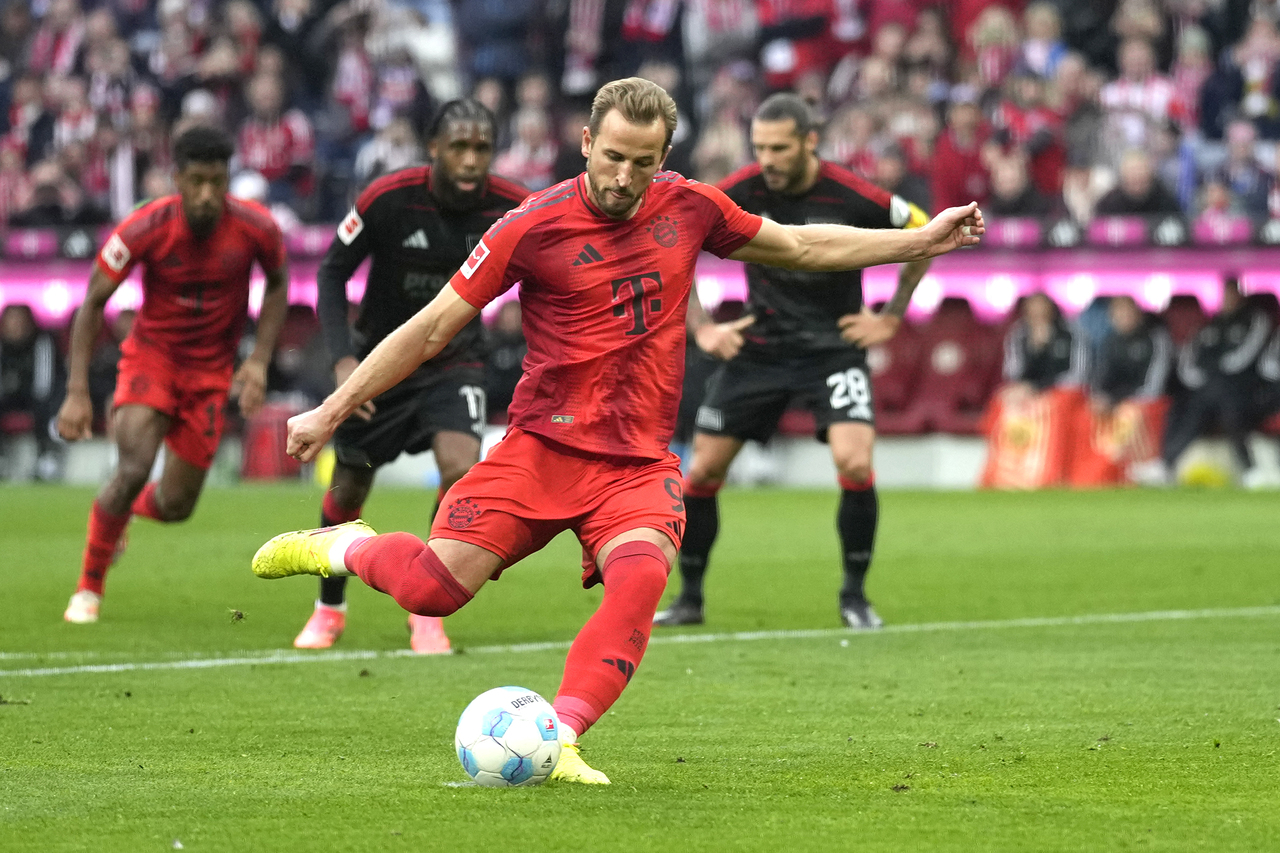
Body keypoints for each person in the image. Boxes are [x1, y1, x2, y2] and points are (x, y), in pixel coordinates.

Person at [250, 78, 983, 785]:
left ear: (664, 157)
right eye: (612, 157)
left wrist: (920, 241)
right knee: (431, 592)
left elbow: (799, 246)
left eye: (643, 161)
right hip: (542, 449)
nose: (625, 177)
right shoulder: (529, 226)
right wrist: (331, 408)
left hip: (635, 464)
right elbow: (432, 327)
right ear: (586, 142)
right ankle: (343, 544)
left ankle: (562, 737)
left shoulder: (691, 206)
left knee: (641, 578)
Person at [653, 93, 934, 632]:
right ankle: (690, 599)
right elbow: (672, 243)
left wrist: (891, 317)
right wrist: (702, 327)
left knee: (855, 462)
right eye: (760, 148)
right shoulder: (739, 190)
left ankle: (855, 597)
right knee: (703, 470)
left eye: (779, 148)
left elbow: (924, 233)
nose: (768, 160)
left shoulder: (852, 192)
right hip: (760, 348)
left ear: (810, 142)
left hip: (833, 348)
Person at [292, 99, 529, 653]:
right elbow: (331, 272)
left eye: (482, 149)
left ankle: (426, 608)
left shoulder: (514, 206)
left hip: (456, 361)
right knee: (350, 484)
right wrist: (344, 363)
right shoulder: (388, 198)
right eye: (459, 147)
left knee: (460, 469)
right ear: (433, 148)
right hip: (381, 365)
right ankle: (329, 607)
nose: (471, 160)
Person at [57, 125, 290, 624]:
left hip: (211, 373)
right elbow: (93, 302)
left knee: (177, 505)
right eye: (197, 181)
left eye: (217, 182)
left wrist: (258, 361)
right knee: (133, 468)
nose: (207, 194)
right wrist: (77, 391)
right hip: (152, 361)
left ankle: (121, 512)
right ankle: (88, 590)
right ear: (177, 178)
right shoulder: (144, 227)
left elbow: (278, 283)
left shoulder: (257, 228)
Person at [1160, 276, 1272, 484]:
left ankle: (1249, 468)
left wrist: (1215, 373)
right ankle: (1166, 464)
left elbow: (1243, 359)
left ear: (1240, 295)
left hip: (1245, 390)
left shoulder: (1255, 318)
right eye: (1224, 294)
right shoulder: (1209, 325)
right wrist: (1208, 377)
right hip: (1208, 390)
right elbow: (1190, 363)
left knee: (1227, 402)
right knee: (1182, 405)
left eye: (1232, 294)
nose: (1227, 299)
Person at [0, 303, 65, 481]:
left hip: (40, 396)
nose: (15, 324)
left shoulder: (43, 342)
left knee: (46, 409)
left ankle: (47, 457)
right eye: (11, 320)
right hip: (9, 397)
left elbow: (45, 384)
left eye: (19, 319)